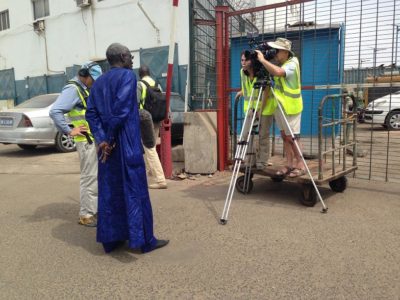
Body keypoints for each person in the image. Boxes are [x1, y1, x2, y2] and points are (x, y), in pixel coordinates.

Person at [85, 43, 169, 253]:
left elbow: (91, 114)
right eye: (130, 56)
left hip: (106, 149)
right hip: (125, 143)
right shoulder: (127, 77)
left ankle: (113, 240)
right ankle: (144, 241)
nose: (132, 60)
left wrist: (102, 139)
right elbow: (121, 110)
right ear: (122, 56)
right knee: (135, 191)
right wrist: (111, 138)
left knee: (110, 191)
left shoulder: (98, 83)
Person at [49, 61, 102, 227]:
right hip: (85, 142)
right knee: (89, 178)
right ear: (84, 75)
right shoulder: (73, 89)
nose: (94, 82)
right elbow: (55, 111)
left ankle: (93, 209)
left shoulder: (83, 88)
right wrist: (69, 130)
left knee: (94, 177)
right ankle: (86, 215)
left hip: (90, 140)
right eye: (93, 79)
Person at [256, 37, 305, 178]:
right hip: (280, 106)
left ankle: (300, 165)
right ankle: (289, 164)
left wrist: (263, 60)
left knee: (293, 137)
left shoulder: (292, 63)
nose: (275, 53)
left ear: (285, 52)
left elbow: (278, 73)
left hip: (291, 107)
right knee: (285, 136)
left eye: (277, 51)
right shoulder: (281, 64)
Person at [235, 50, 273, 169]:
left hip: (264, 107)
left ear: (252, 61)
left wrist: (260, 110)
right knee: (247, 135)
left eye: (245, 60)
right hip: (250, 108)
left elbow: (266, 93)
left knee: (263, 135)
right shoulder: (242, 72)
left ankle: (262, 161)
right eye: (241, 60)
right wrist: (242, 92)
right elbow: (247, 88)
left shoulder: (261, 73)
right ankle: (250, 160)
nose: (243, 62)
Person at [137, 65, 167, 189]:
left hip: (144, 120)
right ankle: (150, 171)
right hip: (156, 118)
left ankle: (160, 180)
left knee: (149, 148)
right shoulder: (156, 83)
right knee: (151, 146)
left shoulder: (139, 85)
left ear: (140, 74)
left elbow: (135, 102)